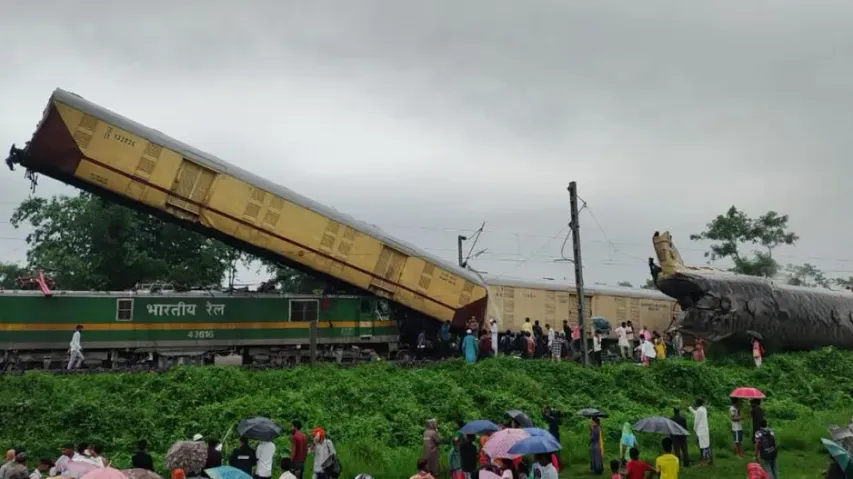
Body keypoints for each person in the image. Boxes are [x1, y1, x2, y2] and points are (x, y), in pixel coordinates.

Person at [689, 398, 712, 465]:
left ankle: (704, 460)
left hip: (701, 430)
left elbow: (696, 421)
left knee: (703, 446)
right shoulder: (703, 409)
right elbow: (696, 414)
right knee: (706, 445)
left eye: (695, 402)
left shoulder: (699, 410)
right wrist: (690, 408)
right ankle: (708, 459)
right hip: (705, 429)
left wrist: (694, 429)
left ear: (698, 403)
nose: (695, 403)